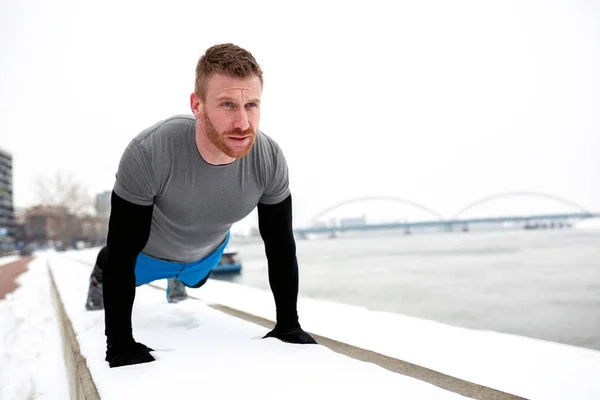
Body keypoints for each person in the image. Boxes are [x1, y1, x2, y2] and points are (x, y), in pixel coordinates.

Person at [85, 43, 317, 368]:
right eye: (227, 105)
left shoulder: (269, 158)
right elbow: (124, 250)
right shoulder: (150, 152)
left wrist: (288, 324)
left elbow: (280, 246)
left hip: (203, 256)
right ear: (197, 105)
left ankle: (180, 278)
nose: (242, 122)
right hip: (145, 255)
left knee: (197, 281)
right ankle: (98, 273)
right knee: (113, 263)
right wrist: (119, 343)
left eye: (251, 105)